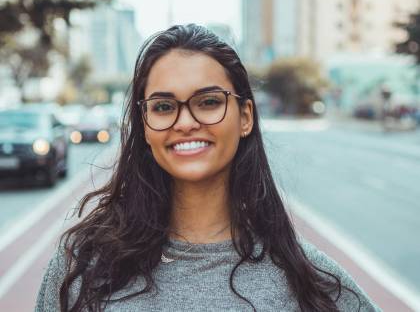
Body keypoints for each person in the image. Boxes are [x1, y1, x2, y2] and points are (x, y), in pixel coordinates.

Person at [35, 24, 380, 312]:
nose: (185, 122)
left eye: (209, 102)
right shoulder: (81, 266)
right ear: (143, 124)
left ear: (245, 117)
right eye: (164, 106)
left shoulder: (311, 282)